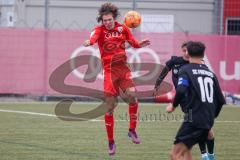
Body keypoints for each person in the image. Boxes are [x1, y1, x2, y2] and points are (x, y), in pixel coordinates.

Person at [83, 3, 150, 156]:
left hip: (123, 69)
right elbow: (93, 38)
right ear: (101, 20)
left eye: (109, 19)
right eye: (104, 20)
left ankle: (132, 130)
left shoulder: (123, 28)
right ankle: (111, 141)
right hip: (109, 72)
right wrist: (89, 42)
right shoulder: (98, 30)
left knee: (132, 94)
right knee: (110, 107)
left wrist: (140, 45)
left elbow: (133, 43)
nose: (107, 22)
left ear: (114, 18)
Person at [154, 41, 217, 160]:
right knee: (200, 128)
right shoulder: (175, 61)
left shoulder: (196, 65)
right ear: (182, 50)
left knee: (204, 129)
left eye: (188, 51)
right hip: (184, 101)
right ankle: (205, 154)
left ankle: (210, 155)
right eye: (184, 50)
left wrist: (173, 105)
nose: (186, 53)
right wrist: (157, 84)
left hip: (196, 100)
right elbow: (164, 71)